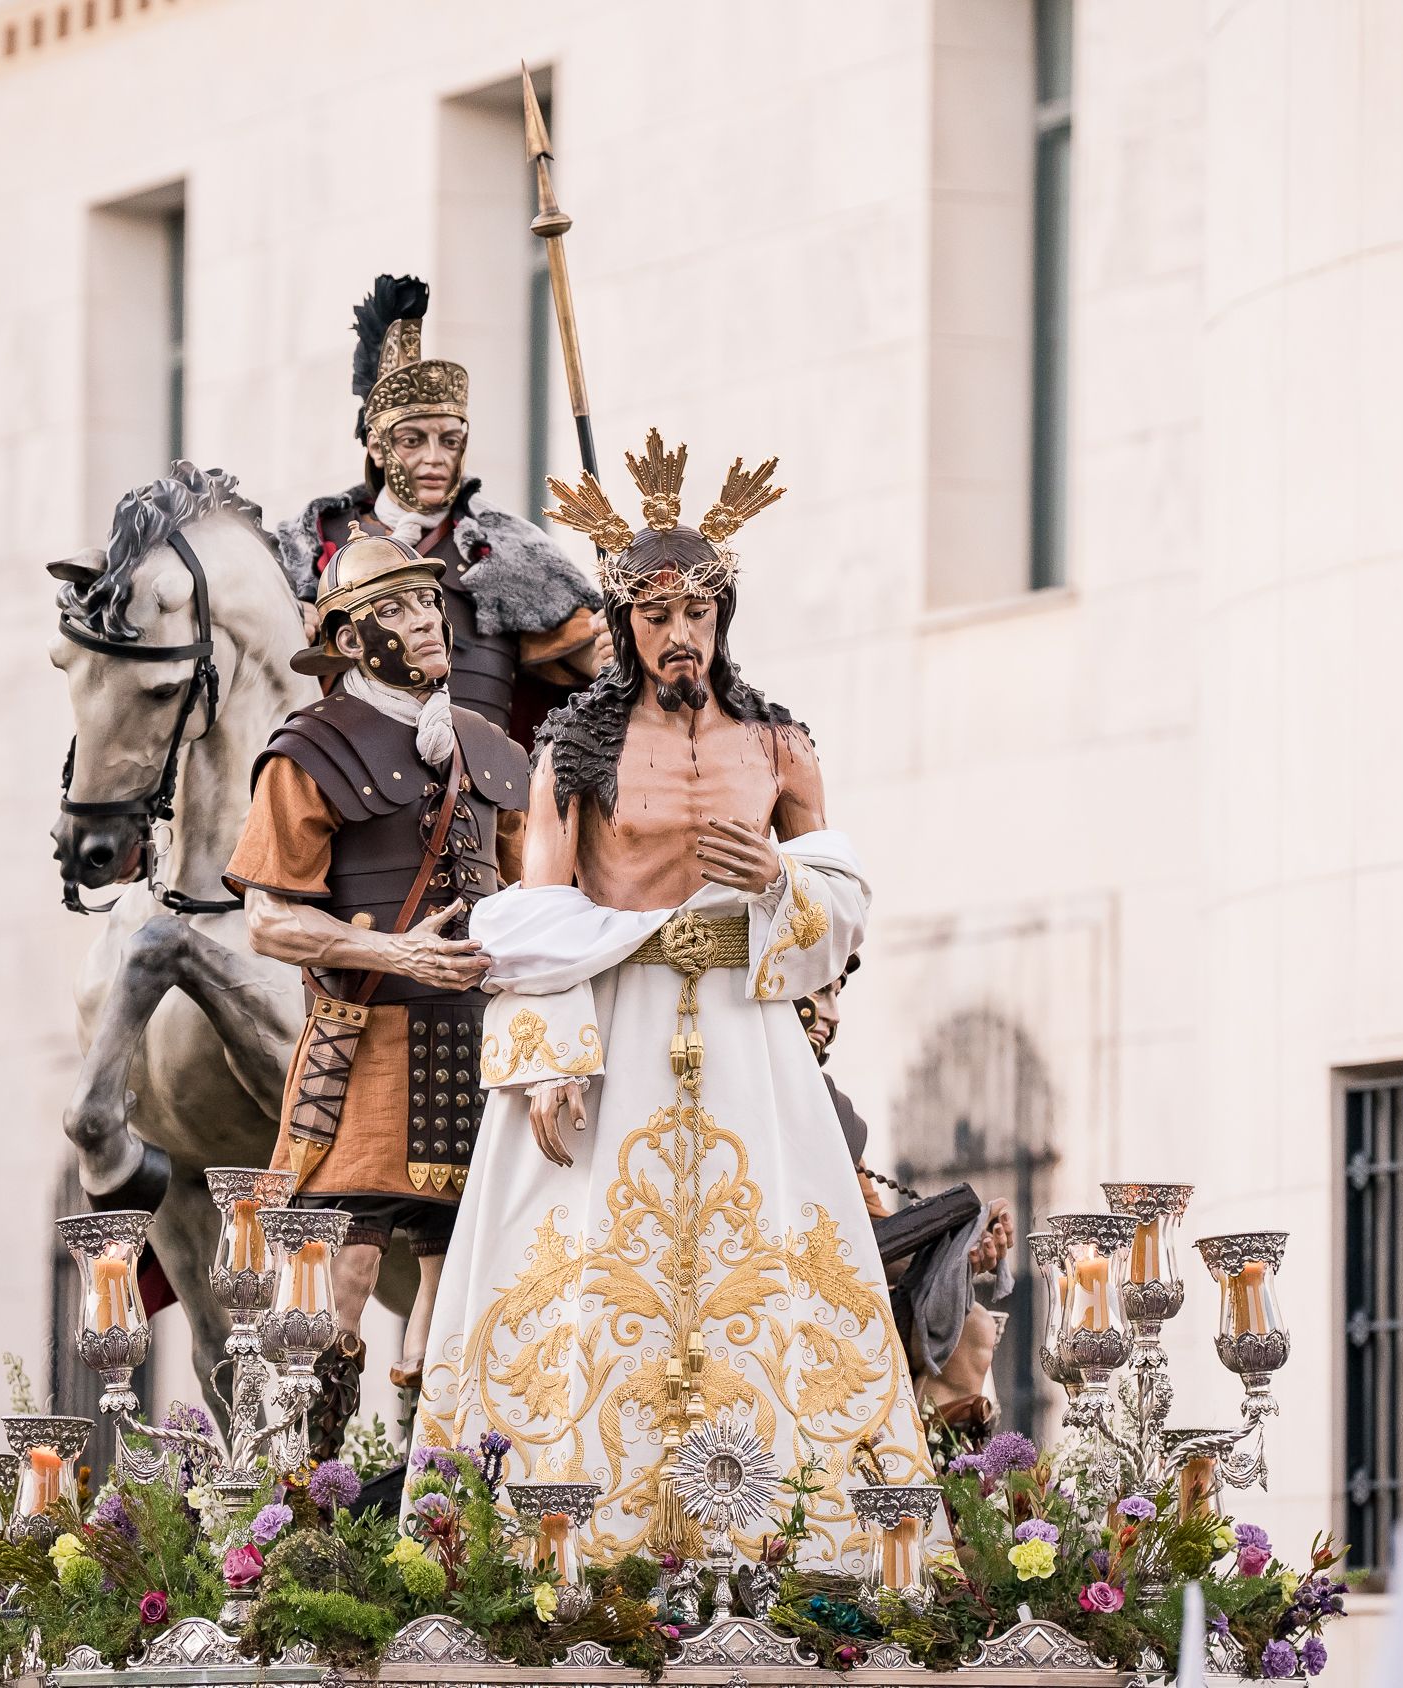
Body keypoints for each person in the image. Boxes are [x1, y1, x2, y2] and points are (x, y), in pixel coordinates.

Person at [416, 432, 925, 1561]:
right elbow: (536, 919)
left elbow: (844, 902)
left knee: (778, 1272)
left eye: (699, 611)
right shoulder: (574, 750)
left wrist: (780, 880)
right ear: (621, 621)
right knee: (587, 1278)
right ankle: (566, 1545)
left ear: (724, 616)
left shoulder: (781, 747)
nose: (680, 633)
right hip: (622, 1026)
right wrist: (547, 1056)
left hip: (746, 1035)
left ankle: (796, 1542)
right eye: (656, 614)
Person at [223, 524, 533, 1459]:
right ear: (351, 641)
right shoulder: (310, 750)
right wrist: (399, 955)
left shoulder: (487, 746)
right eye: (395, 607)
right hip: (366, 1047)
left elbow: (531, 898)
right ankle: (300, 1511)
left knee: (457, 1286)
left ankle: (425, 1505)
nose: (427, 620)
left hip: (479, 1047)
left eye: (429, 601)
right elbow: (270, 919)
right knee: (332, 1286)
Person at [273, 275, 607, 744]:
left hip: (487, 788)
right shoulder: (312, 543)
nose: (434, 458)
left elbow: (572, 648)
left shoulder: (508, 547)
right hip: (351, 780)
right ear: (376, 446)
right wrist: (294, 615)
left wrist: (605, 654)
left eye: (449, 441)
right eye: (413, 440)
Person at [800, 961, 1015, 1456]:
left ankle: (944, 1504)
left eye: (837, 995)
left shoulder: (833, 1114)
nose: (831, 1015)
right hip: (764, 1310)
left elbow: (877, 1239)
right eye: (818, 993)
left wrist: (963, 1246)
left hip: (838, 1306)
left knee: (973, 1328)